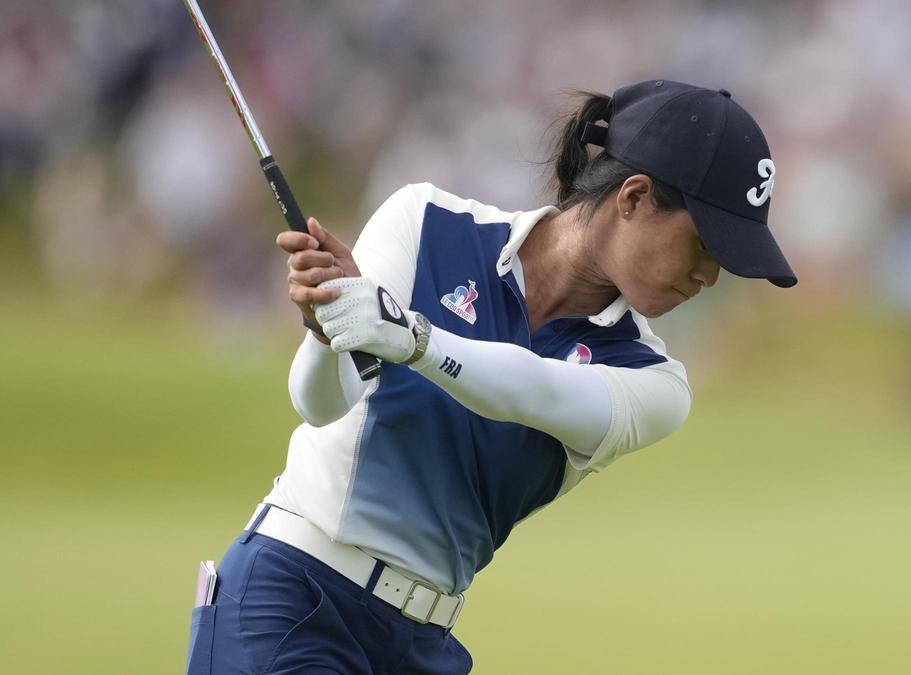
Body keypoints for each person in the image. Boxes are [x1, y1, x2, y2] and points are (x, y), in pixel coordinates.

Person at [185, 80, 796, 675]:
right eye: (703, 246)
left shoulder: (656, 382)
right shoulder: (425, 221)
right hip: (293, 593)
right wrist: (331, 329)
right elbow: (317, 405)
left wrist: (414, 338)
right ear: (632, 198)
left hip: (422, 642)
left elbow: (533, 388)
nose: (708, 278)